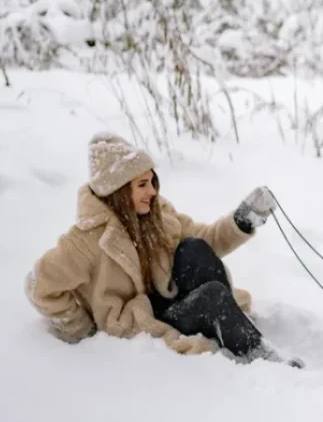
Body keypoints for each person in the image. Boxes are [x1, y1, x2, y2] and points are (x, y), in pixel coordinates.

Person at [24, 132, 302, 368]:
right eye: (142, 185)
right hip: (143, 320)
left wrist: (243, 219)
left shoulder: (157, 214)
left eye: (152, 182)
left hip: (169, 299)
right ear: (118, 191)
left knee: (194, 248)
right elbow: (40, 287)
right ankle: (261, 359)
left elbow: (207, 239)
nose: (152, 192)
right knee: (213, 296)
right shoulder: (86, 240)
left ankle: (232, 328)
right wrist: (82, 329)